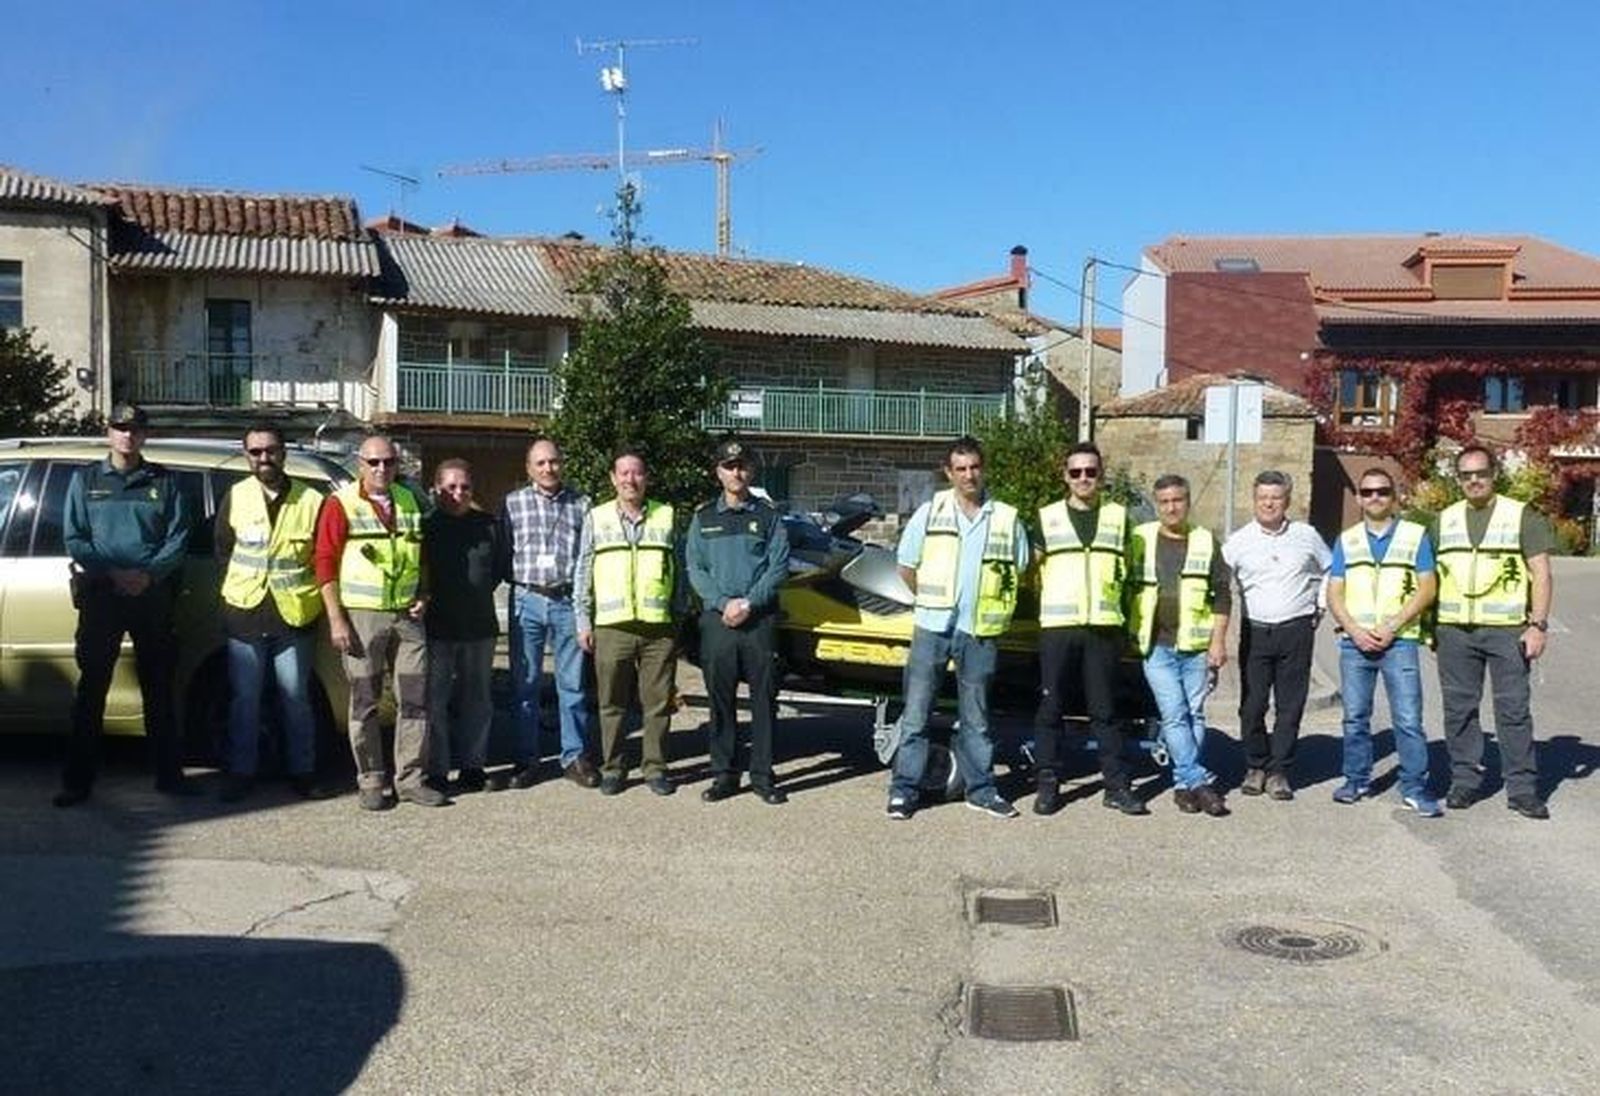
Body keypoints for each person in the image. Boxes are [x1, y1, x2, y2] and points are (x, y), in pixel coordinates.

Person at [55, 403, 196, 807]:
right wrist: (114, 574)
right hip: (102, 595)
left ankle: (169, 776)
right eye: (120, 428)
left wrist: (148, 575)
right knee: (91, 690)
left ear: (144, 435)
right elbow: (75, 537)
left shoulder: (164, 482)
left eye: (134, 430)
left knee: (159, 690)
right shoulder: (86, 481)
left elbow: (178, 537)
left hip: (152, 595)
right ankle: (77, 782)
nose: (127, 436)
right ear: (108, 432)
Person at [885, 436, 1029, 821]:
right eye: (960, 469)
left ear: (984, 469)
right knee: (916, 714)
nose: (969, 475)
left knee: (978, 719)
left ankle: (981, 790)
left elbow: (1021, 568)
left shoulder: (1006, 518)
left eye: (974, 467)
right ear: (948, 473)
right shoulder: (930, 512)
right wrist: (930, 602)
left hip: (979, 630)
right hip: (932, 626)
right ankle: (904, 791)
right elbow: (905, 566)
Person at [314, 434, 445, 811]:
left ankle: (411, 779)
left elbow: (419, 556)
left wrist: (424, 594)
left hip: (407, 617)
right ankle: (371, 780)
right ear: (360, 465)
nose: (382, 469)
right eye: (374, 462)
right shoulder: (341, 504)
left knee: (415, 700)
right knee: (365, 703)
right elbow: (324, 562)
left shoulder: (408, 500)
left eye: (388, 461)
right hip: (362, 617)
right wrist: (336, 619)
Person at [1433, 444, 1555, 819]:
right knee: (1459, 710)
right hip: (1455, 631)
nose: (1474, 481)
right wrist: (1430, 631)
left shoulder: (1520, 516)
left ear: (1494, 474)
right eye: (1466, 475)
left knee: (1513, 711)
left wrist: (1537, 625)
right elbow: (1430, 578)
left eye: (1480, 473)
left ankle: (1521, 789)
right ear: (1458, 478)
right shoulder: (1445, 519)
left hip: (1507, 632)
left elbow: (1542, 573)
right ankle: (1465, 781)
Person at [214, 425, 328, 803]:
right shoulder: (237, 495)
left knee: (296, 698)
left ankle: (304, 771)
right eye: (255, 452)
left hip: (294, 615)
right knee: (243, 701)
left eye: (271, 451)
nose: (263, 458)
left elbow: (322, 558)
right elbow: (223, 551)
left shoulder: (311, 499)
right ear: (247, 455)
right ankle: (241, 772)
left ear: (284, 453)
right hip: (245, 613)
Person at [1032, 442, 1144, 816]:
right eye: (1076, 472)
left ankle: (1116, 786)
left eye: (1091, 472)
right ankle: (1047, 784)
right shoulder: (1046, 517)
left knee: (1105, 711)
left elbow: (1130, 572)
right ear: (1065, 476)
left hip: (1103, 627)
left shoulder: (1118, 516)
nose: (1084, 478)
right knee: (1051, 707)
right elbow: (1031, 572)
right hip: (1059, 626)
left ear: (1101, 475)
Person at [1325, 467, 1441, 817]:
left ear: (1394, 497)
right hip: (1354, 642)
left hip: (1400, 640)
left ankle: (1414, 788)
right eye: (1368, 491)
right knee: (1355, 717)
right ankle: (1356, 779)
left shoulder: (1414, 536)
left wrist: (1392, 626)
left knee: (1407, 718)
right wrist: (1354, 630)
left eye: (1382, 492)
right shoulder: (1347, 540)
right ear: (1359, 497)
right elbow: (1334, 592)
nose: (1375, 497)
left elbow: (1428, 587)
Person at [685, 438, 790, 804]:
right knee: (720, 700)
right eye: (729, 466)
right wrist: (721, 602)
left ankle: (762, 776)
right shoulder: (703, 518)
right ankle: (724, 775)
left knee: (763, 700)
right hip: (718, 621)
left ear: (752, 471)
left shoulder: (768, 516)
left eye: (743, 466)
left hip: (758, 620)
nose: (736, 472)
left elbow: (778, 566)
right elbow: (695, 568)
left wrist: (749, 601)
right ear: (719, 472)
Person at [576, 450, 680, 797]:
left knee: (657, 702)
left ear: (646, 478)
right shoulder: (597, 516)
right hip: (611, 626)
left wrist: (677, 618)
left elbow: (680, 571)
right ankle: (613, 768)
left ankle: (655, 768)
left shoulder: (666, 515)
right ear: (612, 478)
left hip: (657, 628)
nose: (630, 480)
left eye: (636, 473)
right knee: (611, 704)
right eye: (623, 473)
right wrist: (582, 619)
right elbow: (583, 569)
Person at [1222, 469, 1331, 800]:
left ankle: (1279, 770)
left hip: (1296, 629)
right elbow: (1218, 581)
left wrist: (1321, 605)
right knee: (1252, 706)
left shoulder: (1306, 535)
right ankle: (1255, 765)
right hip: (1256, 632)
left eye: (1276, 497)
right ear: (1254, 500)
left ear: (1287, 501)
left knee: (1290, 705)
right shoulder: (1238, 541)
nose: (1269, 503)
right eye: (1263, 497)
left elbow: (1330, 568)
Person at [1127, 474, 1231, 817]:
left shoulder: (1205, 540)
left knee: (1195, 714)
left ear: (1187, 502)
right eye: (1165, 502)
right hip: (1156, 646)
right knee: (1174, 715)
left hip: (1196, 646)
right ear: (1157, 505)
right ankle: (1199, 781)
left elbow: (1222, 595)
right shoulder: (1140, 538)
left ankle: (1183, 785)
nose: (1172, 507)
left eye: (1178, 500)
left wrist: (1218, 641)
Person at [498, 437, 596, 790]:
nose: (548, 468)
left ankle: (574, 757)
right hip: (526, 599)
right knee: (525, 684)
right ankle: (526, 759)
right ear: (528, 469)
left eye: (553, 461)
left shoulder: (582, 505)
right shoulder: (512, 503)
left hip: (566, 601)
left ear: (562, 464)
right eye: (540, 463)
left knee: (572, 684)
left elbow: (588, 558)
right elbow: (503, 552)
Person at [422, 458, 502, 795]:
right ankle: (438, 769)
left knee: (478, 701)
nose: (458, 493)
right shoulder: (426, 526)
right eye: (450, 487)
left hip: (479, 627)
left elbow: (498, 569)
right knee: (435, 703)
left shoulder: (489, 525)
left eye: (465, 487)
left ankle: (473, 766)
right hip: (438, 628)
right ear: (437, 489)